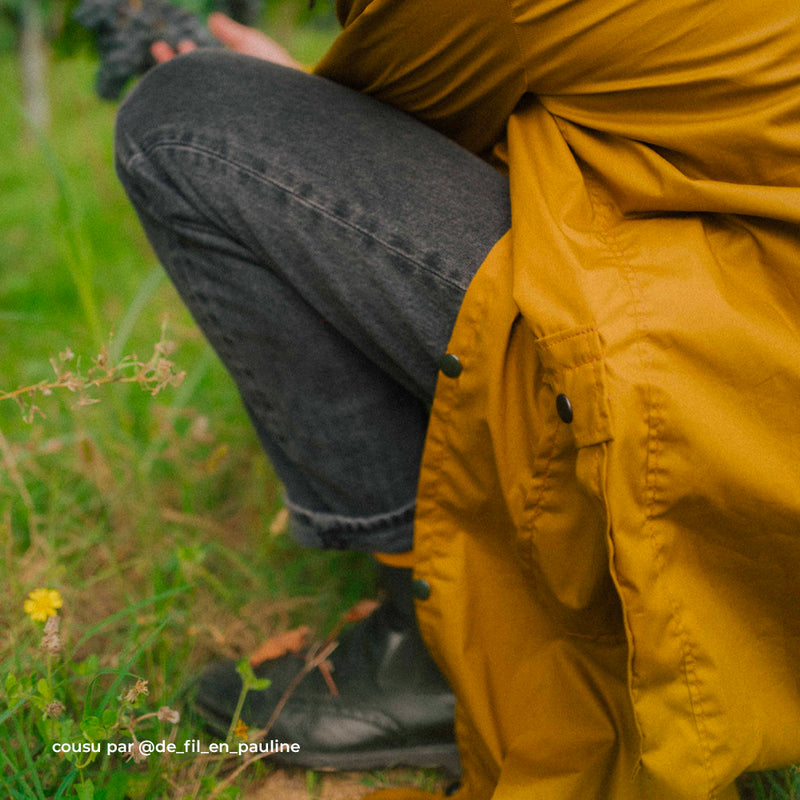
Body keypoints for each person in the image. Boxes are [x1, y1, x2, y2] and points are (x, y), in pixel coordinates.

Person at [114, 2, 800, 799]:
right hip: (757, 315)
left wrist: (300, 85)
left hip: (719, 381)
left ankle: (430, 650)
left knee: (187, 124)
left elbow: (380, 126)